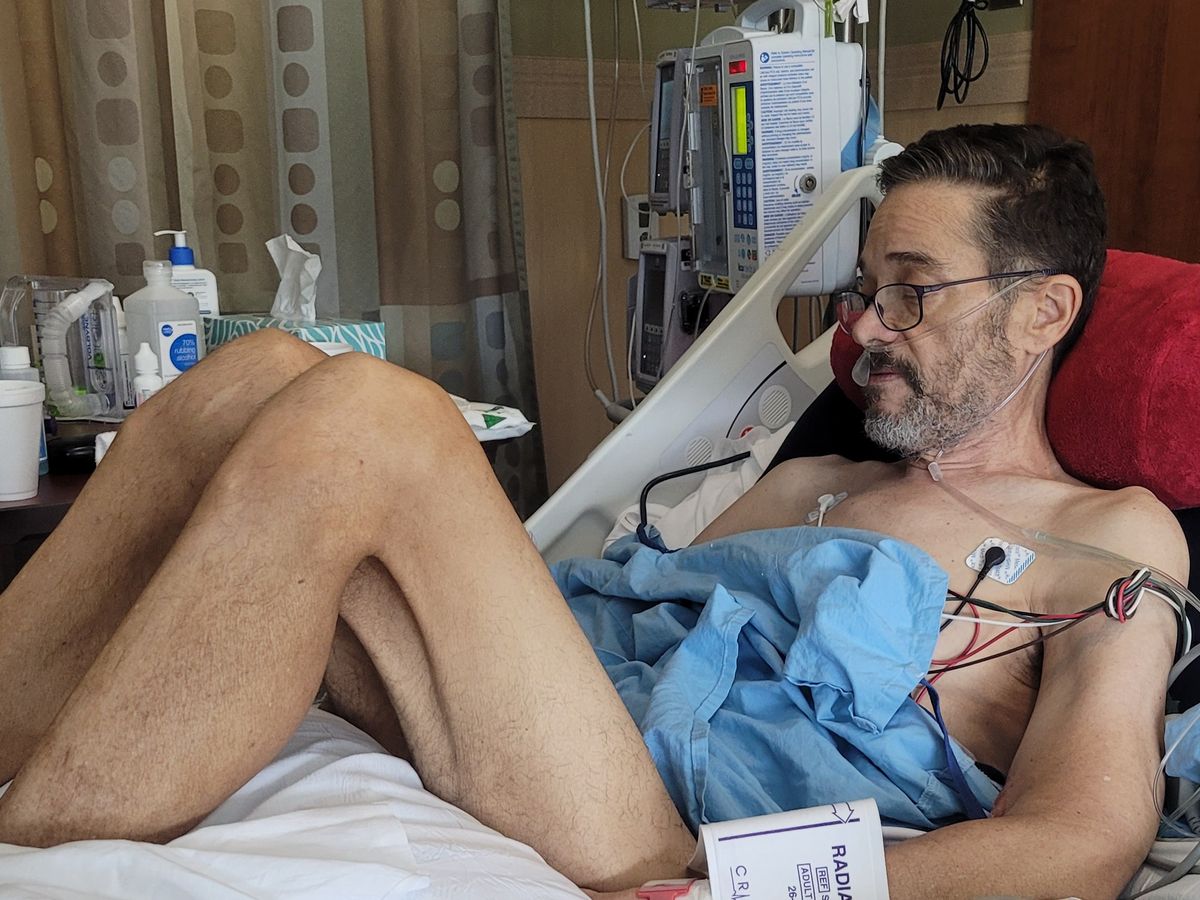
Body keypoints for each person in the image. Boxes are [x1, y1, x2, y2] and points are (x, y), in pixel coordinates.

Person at [0, 124, 1186, 899]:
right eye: (868, 290)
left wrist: (728, 885)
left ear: (1043, 313)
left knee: (372, 416)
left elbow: (1081, 840)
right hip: (559, 728)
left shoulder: (1105, 535)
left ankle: (31, 849)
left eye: (914, 294)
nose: (867, 328)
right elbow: (608, 636)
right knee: (254, 376)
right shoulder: (804, 482)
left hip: (670, 827)